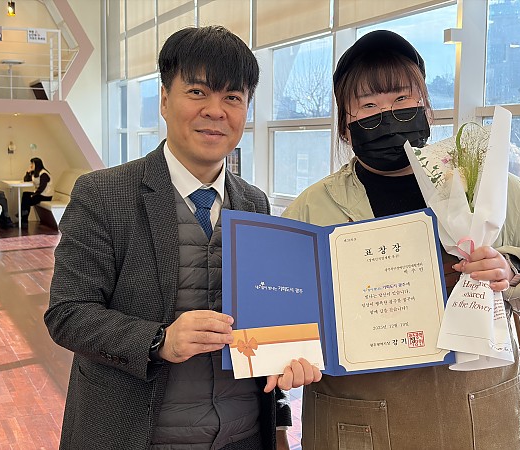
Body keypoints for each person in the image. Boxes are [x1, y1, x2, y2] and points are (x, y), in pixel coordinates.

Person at [282, 30, 520, 450]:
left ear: (426, 108)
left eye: (402, 99)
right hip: (359, 417)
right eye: (368, 106)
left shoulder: (483, 185)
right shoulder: (315, 207)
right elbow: (279, 305)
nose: (388, 115)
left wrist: (515, 269)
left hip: (481, 411)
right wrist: (289, 353)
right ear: (346, 127)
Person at [44, 26, 320, 450]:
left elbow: (265, 319)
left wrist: (286, 364)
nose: (215, 111)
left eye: (233, 98)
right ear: (164, 99)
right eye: (197, 92)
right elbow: (68, 313)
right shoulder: (104, 194)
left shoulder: (254, 203)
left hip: (242, 435)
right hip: (138, 436)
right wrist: (159, 340)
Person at [21, 157, 53, 227]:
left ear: (37, 164)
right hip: (39, 194)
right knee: (25, 194)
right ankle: (23, 216)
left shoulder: (44, 173)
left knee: (27, 201)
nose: (31, 165)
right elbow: (26, 180)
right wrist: (28, 172)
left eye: (32, 164)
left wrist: (34, 194)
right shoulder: (35, 173)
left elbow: (42, 187)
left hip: (45, 196)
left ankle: (23, 218)